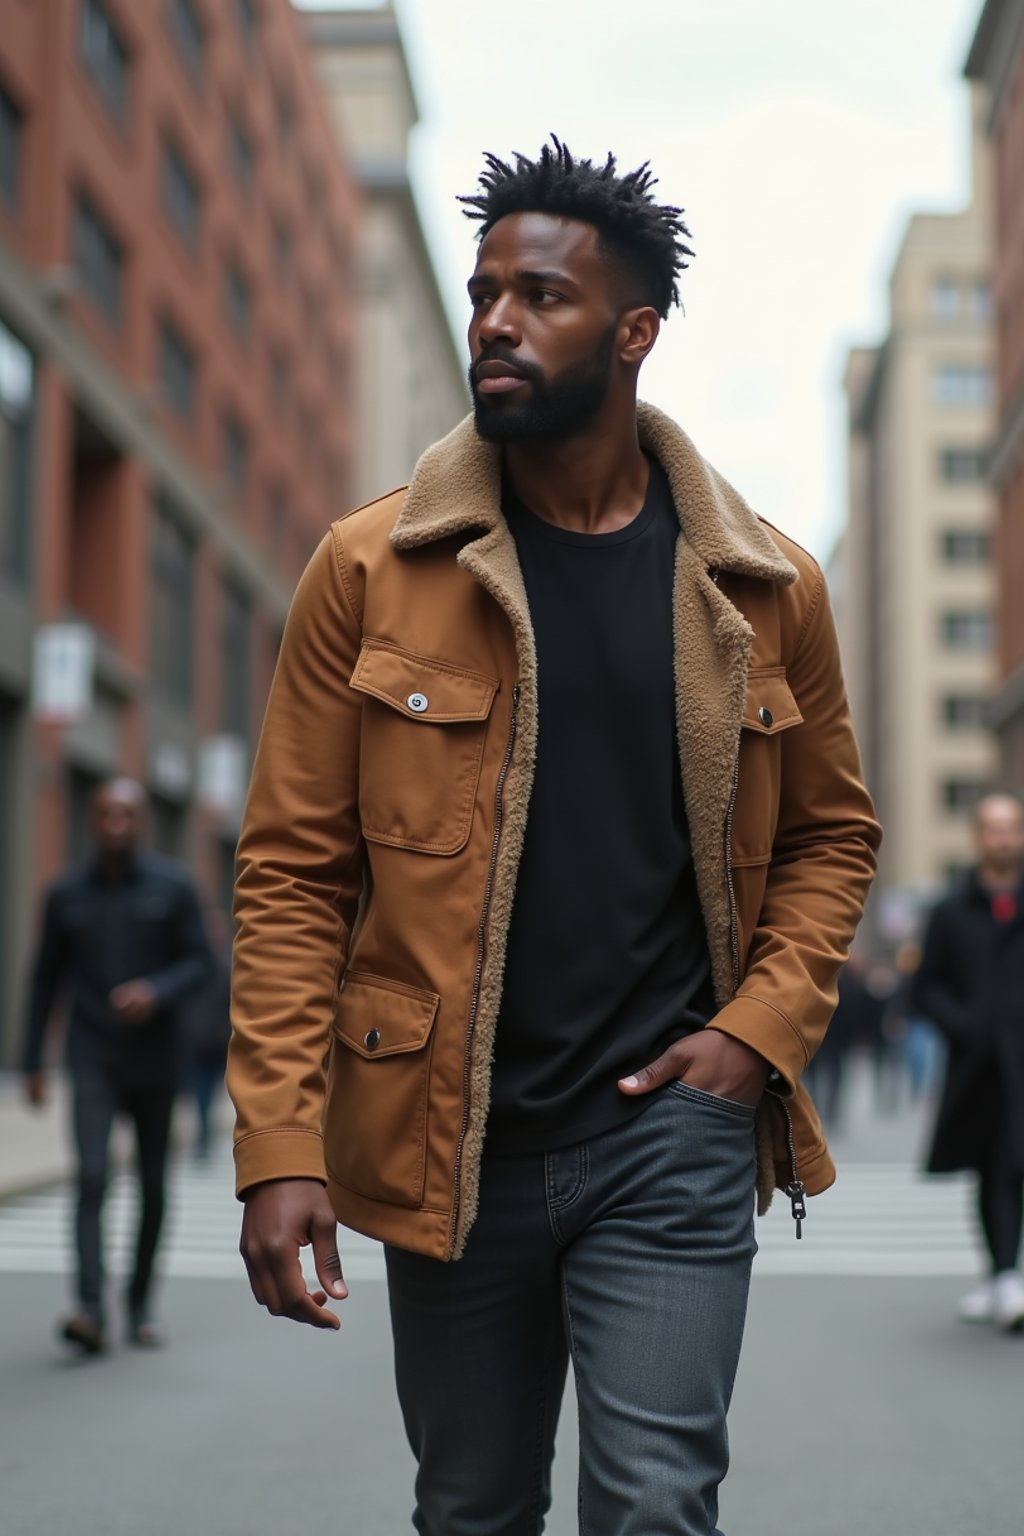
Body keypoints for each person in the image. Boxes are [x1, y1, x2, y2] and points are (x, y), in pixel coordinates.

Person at [228, 139, 880, 1535]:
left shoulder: (765, 589)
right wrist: (279, 1143)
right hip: (446, 1139)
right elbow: (292, 874)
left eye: (539, 297)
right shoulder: (369, 566)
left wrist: (753, 1036)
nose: (496, 325)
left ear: (635, 331)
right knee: (471, 1508)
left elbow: (832, 838)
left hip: (671, 1137)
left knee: (655, 1509)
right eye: (481, 297)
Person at [22, 778, 212, 1352]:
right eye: (106, 815)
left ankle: (138, 1304)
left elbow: (201, 962)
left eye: (126, 815)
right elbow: (44, 979)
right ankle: (87, 1308)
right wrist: (31, 1061)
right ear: (93, 821)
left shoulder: (174, 887)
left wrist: (156, 990)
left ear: (141, 823)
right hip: (92, 1054)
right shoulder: (65, 893)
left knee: (152, 1187)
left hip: (156, 1059)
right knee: (92, 1178)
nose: (115, 825)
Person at [912, 793, 1024, 1332]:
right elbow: (925, 986)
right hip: (981, 1067)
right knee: (997, 1166)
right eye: (994, 829)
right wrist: (966, 1025)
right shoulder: (951, 911)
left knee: (1011, 1165)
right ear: (979, 838)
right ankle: (1003, 1275)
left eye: (1011, 828)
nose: (1003, 838)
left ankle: (1004, 1277)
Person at [182, 908, 233, 1160]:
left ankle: (204, 1131)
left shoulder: (227, 965)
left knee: (209, 1091)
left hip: (218, 1041)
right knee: (199, 1091)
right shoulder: (194, 965)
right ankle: (203, 1133)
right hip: (196, 1039)